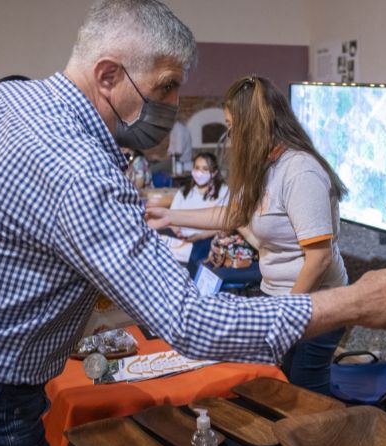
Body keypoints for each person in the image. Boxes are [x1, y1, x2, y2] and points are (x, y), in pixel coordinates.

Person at [0, 1, 386, 446]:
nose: (172, 105)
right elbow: (190, 321)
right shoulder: (80, 170)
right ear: (109, 75)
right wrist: (358, 302)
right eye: (164, 87)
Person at [146, 75, 350, 396]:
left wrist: (287, 319)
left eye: (232, 125)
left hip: (316, 304)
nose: (230, 136)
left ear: (255, 124)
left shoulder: (300, 171)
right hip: (279, 299)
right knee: (275, 390)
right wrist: (169, 215)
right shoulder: (264, 166)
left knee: (304, 396)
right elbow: (232, 215)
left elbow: (319, 257)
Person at [169, 151, 229, 242]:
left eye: (205, 169)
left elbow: (227, 223)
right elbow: (171, 216)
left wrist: (201, 236)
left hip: (208, 240)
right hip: (181, 239)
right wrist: (177, 231)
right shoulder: (184, 191)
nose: (199, 173)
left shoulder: (224, 192)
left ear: (215, 172)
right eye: (197, 168)